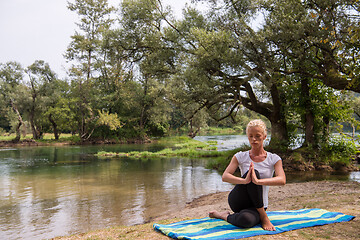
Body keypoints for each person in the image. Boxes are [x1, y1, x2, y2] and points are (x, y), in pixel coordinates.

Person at [209, 119, 286, 231]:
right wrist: (244, 180)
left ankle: (222, 215)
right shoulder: (240, 156)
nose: (254, 139)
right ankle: (264, 217)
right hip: (239, 200)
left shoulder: (274, 159)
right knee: (253, 173)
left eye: (257, 136)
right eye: (250, 136)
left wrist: (258, 182)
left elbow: (282, 180)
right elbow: (225, 176)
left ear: (264, 136)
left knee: (246, 220)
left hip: (258, 205)